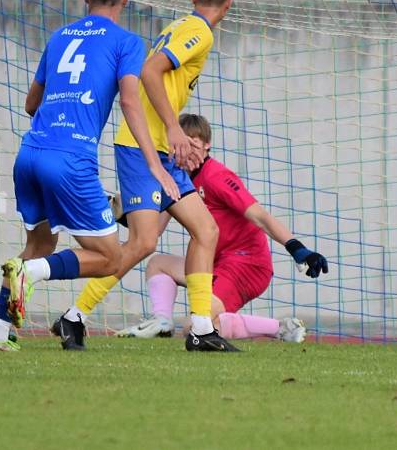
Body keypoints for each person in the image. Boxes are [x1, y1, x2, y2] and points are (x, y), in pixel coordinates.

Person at [0, 0, 179, 352]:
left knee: (39, 244)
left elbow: (30, 103)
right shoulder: (126, 42)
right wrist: (154, 162)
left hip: (30, 153)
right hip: (71, 159)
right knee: (107, 258)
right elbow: (128, 99)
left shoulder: (58, 37)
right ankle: (30, 273)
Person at [58, 0, 238, 352]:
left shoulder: (183, 24)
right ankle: (74, 316)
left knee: (205, 231)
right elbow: (150, 71)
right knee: (142, 242)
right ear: (229, 5)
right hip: (144, 149)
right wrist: (174, 129)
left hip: (162, 152)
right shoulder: (199, 31)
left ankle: (202, 328)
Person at [117, 114, 329, 342]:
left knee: (194, 328)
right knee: (158, 264)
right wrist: (121, 213)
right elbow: (154, 230)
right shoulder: (178, 181)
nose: (187, 151)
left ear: (207, 145)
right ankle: (162, 323)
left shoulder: (217, 177)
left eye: (194, 144)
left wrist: (297, 248)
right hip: (214, 264)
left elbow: (260, 216)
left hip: (246, 265)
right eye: (182, 144)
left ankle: (280, 328)